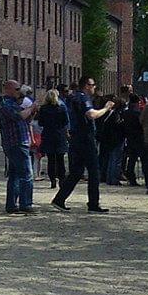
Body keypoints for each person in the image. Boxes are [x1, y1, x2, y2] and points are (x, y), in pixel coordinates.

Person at [55, 75, 113, 212]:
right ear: (86, 86)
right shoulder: (83, 98)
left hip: (76, 137)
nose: (94, 88)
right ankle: (93, 204)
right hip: (85, 138)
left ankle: (59, 199)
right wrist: (106, 108)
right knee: (94, 171)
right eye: (93, 85)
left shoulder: (73, 97)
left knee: (76, 171)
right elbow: (91, 115)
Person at [0, 79, 36, 212]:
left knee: (14, 175)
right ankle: (26, 204)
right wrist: (31, 107)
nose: (19, 92)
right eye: (17, 89)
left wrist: (32, 111)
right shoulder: (6, 104)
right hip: (16, 143)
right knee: (26, 174)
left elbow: (26, 118)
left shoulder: (14, 103)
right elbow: (19, 116)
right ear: (8, 89)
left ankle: (11, 204)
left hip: (20, 142)